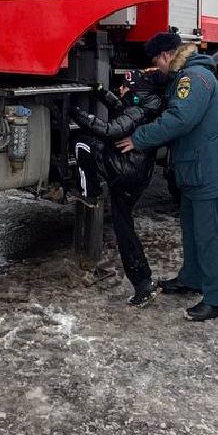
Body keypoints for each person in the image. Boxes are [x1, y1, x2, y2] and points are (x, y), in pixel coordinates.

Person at [118, 31, 218, 322]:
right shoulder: (188, 76)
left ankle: (217, 299)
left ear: (166, 56)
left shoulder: (193, 78)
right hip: (196, 170)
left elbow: (179, 119)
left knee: (210, 236)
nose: (158, 68)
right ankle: (192, 278)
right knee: (191, 228)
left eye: (156, 62)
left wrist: (139, 138)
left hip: (208, 172)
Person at [70, 70, 166, 306]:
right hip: (133, 173)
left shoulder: (138, 109)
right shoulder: (145, 105)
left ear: (136, 93)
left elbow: (112, 129)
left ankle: (88, 192)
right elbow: (122, 108)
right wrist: (102, 93)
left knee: (83, 143)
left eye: (125, 87)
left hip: (124, 173)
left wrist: (78, 115)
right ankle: (143, 282)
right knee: (124, 228)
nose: (121, 90)